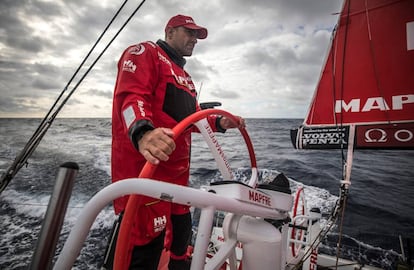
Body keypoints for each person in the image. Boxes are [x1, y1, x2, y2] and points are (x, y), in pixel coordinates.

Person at [111, 14, 245, 270]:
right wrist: (143, 133)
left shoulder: (185, 76)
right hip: (147, 177)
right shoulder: (145, 53)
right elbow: (130, 98)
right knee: (145, 248)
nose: (194, 39)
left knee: (182, 235)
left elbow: (191, 118)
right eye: (189, 32)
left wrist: (220, 123)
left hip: (178, 179)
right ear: (169, 31)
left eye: (197, 35)